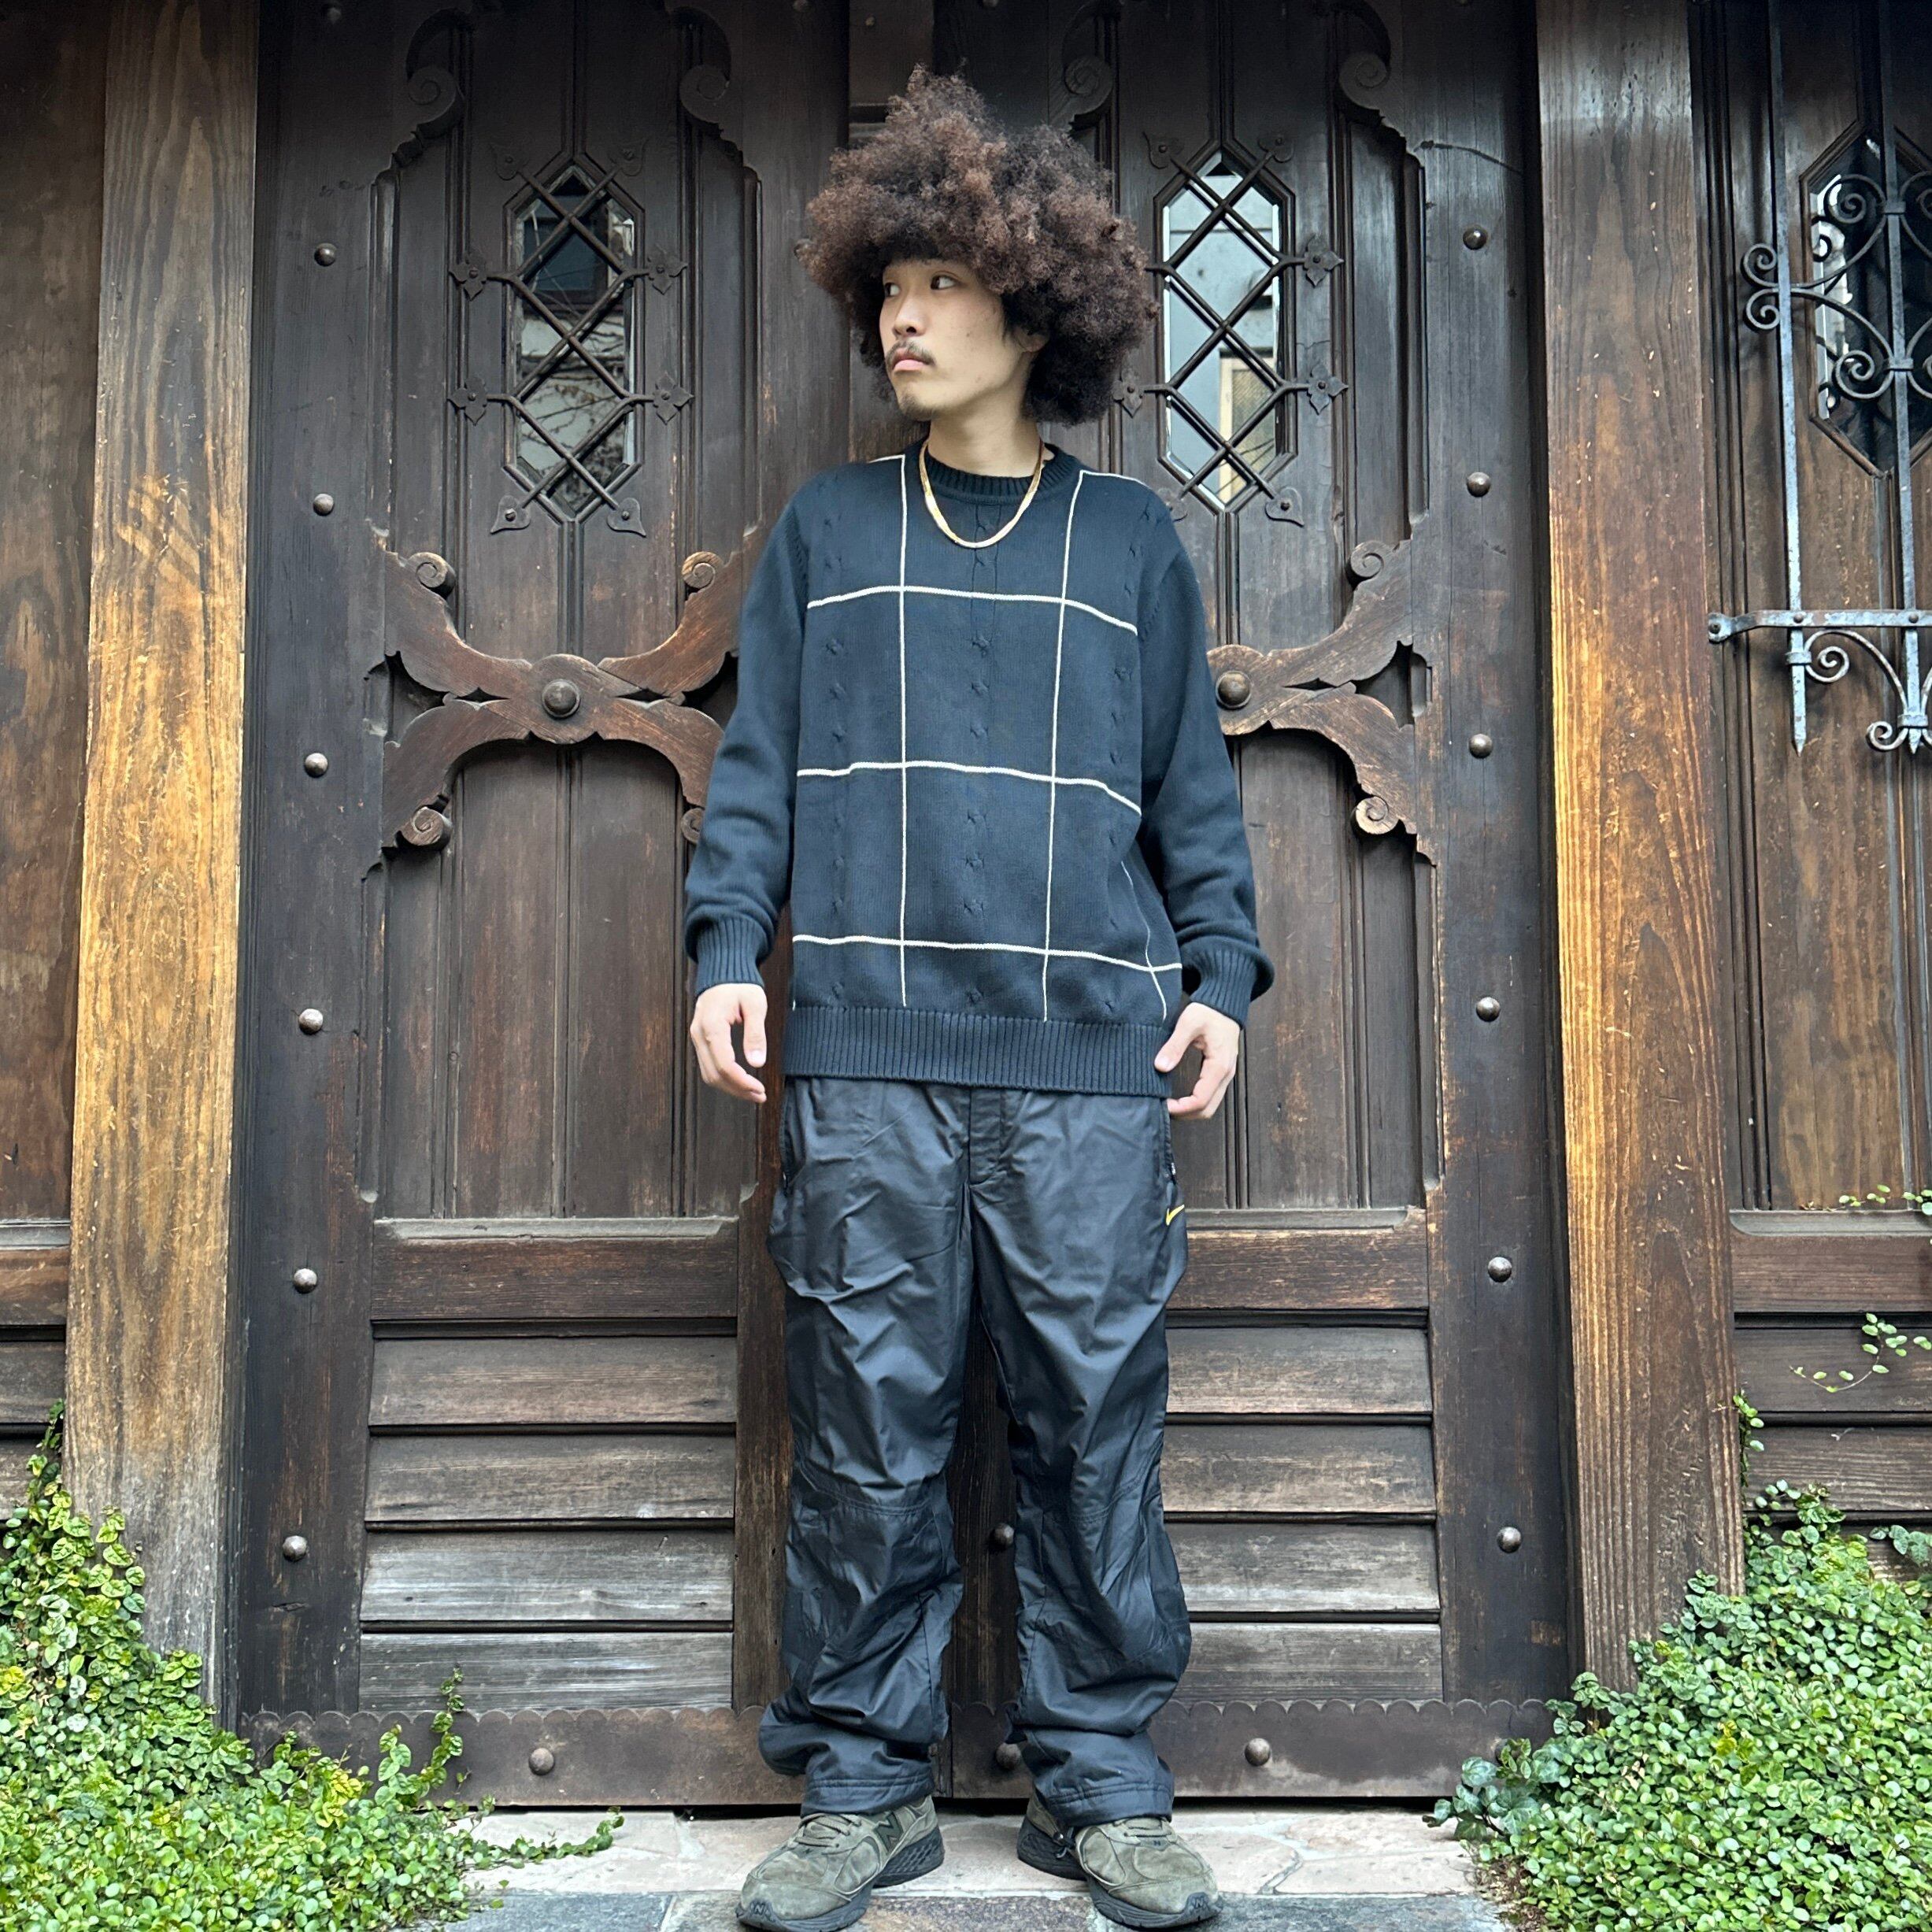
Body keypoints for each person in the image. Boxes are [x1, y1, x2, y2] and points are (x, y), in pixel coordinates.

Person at [683, 68, 1275, 1932]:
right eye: (889, 286)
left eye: (941, 283)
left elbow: (1192, 796)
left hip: (1090, 1066)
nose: (904, 316)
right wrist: (725, 950)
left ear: (1036, 307)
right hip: (864, 1059)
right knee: (866, 1426)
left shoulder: (1131, 549)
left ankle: (1098, 1784)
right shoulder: (827, 533)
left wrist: (1225, 974)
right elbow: (758, 772)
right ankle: (862, 1792)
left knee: (1097, 1422)